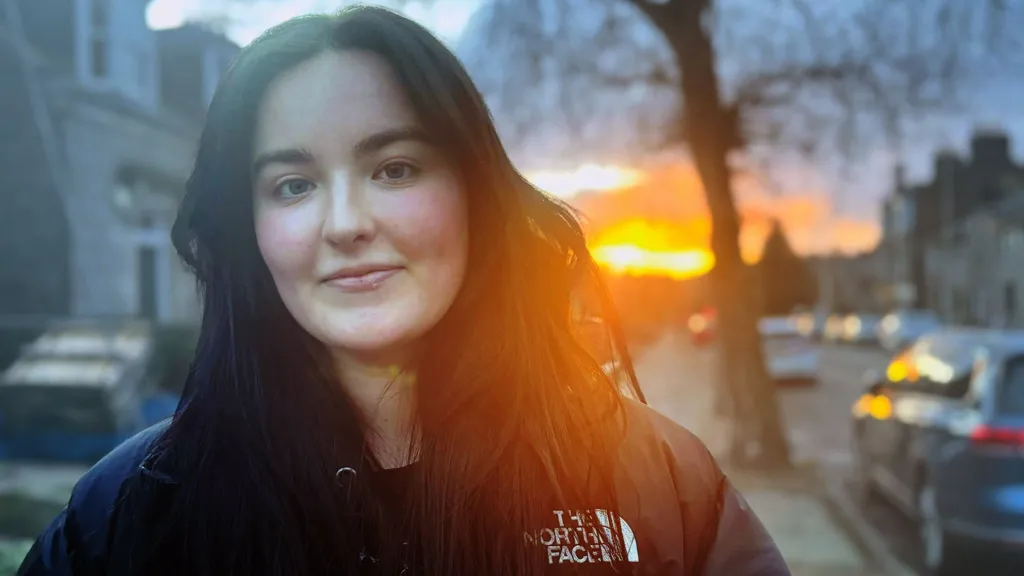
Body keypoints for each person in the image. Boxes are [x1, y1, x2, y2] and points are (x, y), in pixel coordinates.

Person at [19, 6, 788, 576]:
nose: (346, 223)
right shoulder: (129, 514)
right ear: (246, 230)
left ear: (473, 195)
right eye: (292, 185)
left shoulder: (660, 488)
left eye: (395, 169)